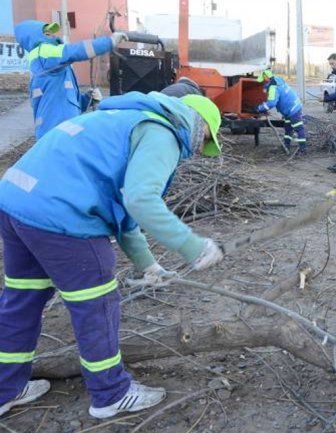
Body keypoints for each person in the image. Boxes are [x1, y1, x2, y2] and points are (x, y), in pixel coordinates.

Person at [0, 91, 225, 419]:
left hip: (15, 202)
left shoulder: (123, 118)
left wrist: (148, 265)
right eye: (206, 139)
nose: (199, 150)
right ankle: (111, 393)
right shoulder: (164, 132)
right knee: (97, 304)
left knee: (22, 300)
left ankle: (6, 388)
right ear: (200, 123)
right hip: (60, 216)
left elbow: (122, 205)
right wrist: (195, 247)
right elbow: (140, 200)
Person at [14, 20, 127, 139]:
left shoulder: (56, 66)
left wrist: (88, 98)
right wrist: (109, 42)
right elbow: (74, 51)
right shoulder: (43, 51)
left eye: (52, 32)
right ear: (33, 37)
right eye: (47, 33)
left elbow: (72, 105)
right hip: (56, 133)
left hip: (61, 132)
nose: (53, 35)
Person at [254, 70, 306, 153]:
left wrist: (259, 108)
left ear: (266, 78)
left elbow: (271, 102)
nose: (262, 83)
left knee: (298, 128)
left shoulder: (273, 87)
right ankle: (286, 146)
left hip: (293, 109)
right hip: (290, 110)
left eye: (263, 80)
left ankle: (302, 149)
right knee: (288, 128)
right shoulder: (276, 81)